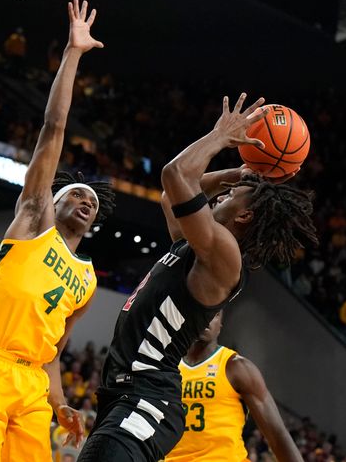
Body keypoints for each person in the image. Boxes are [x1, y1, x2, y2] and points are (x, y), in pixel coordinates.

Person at [77, 93, 317, 462]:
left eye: (230, 195)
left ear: (244, 217)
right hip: (125, 395)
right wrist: (236, 175)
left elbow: (175, 175)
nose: (219, 196)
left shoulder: (222, 253)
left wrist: (221, 136)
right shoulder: (195, 249)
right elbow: (166, 196)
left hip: (147, 397)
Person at [0, 0, 114, 461]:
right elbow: (53, 129)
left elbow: (53, 349)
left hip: (32, 384)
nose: (84, 200)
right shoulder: (35, 220)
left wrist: (59, 403)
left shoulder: (89, 281)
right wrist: (73, 53)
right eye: (74, 194)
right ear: (50, 202)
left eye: (91, 201)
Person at [164, 311, 302, 461]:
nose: (208, 318)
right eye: (203, 310)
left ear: (220, 326)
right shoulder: (165, 367)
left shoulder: (237, 367)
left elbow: (277, 435)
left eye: (215, 314)